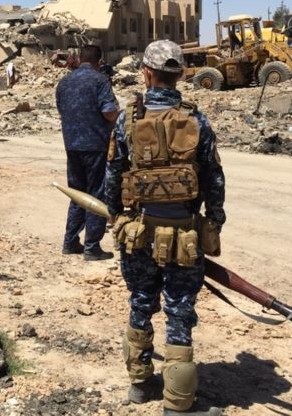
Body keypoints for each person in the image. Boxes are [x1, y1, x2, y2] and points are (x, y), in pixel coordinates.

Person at [104, 40, 226, 416]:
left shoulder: (128, 120)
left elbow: (112, 177)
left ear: (146, 73)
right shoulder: (197, 119)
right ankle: (177, 403)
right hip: (185, 237)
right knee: (179, 309)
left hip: (137, 234)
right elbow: (214, 178)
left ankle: (139, 384)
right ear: (181, 75)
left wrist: (116, 216)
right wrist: (214, 220)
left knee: (141, 301)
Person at [56, 45, 120, 261]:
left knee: (77, 193)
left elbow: (61, 110)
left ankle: (70, 241)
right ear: (99, 61)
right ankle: (92, 246)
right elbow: (109, 111)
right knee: (96, 193)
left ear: (80, 59)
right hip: (95, 146)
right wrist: (118, 115)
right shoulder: (100, 80)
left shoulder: (64, 82)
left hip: (72, 145)